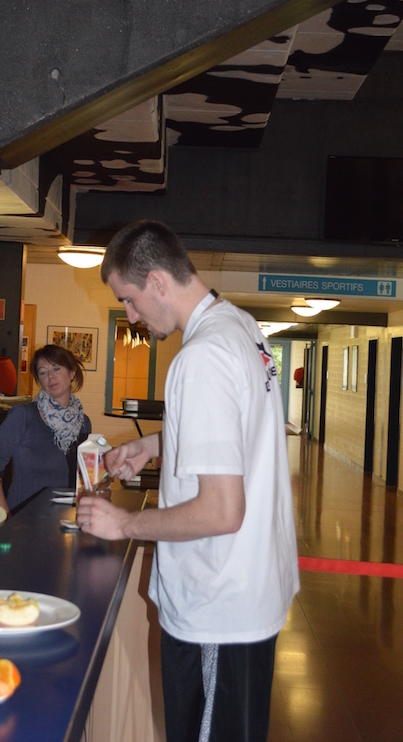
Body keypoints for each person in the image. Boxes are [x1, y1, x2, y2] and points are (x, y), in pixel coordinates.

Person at [76, 221, 299, 742]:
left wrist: (124, 524)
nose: (131, 315)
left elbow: (221, 511)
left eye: (128, 300)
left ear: (157, 281)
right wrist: (156, 444)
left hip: (217, 605)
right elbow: (241, 429)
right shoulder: (240, 326)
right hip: (246, 592)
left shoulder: (200, 357)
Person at [0, 344, 91, 513]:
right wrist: (5, 518)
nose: (51, 376)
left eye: (56, 368)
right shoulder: (23, 416)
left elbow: (85, 476)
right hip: (24, 520)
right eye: (43, 372)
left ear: (72, 373)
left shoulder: (84, 422)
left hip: (67, 518)